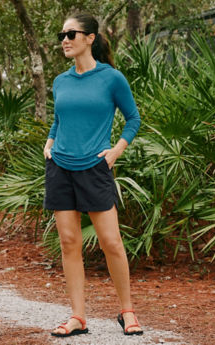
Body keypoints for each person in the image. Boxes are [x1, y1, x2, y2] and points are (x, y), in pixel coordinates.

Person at [43, 12, 142, 337]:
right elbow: (59, 118)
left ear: (90, 38)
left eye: (72, 34)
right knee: (69, 242)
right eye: (62, 35)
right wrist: (50, 140)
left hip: (95, 168)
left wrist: (116, 151)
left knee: (111, 242)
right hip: (60, 167)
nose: (65, 40)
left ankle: (127, 311)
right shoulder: (61, 81)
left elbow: (133, 119)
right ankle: (78, 317)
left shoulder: (111, 78)